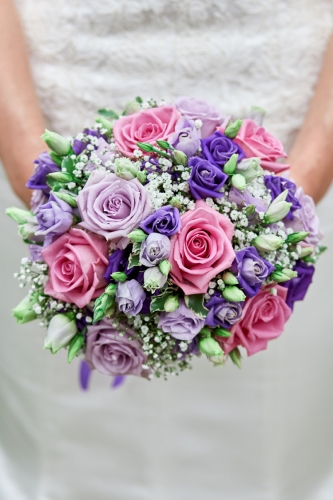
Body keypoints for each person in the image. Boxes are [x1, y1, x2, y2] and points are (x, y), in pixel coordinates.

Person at [1, 0, 333, 498]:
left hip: (283, 112)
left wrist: (289, 201)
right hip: (62, 93)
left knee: (267, 458)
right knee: (68, 454)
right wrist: (47, 185)